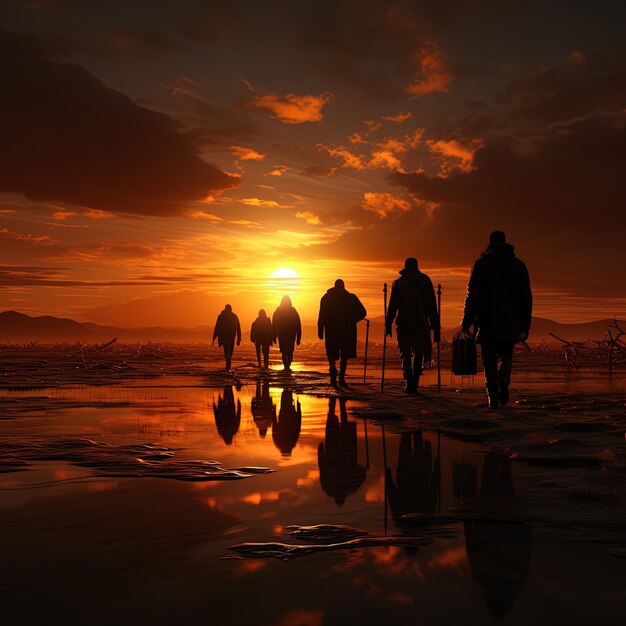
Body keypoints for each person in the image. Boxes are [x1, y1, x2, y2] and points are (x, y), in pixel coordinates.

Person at [461, 231, 532, 409]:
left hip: (486, 322)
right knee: (506, 355)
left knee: (488, 359)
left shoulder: (481, 265)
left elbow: (472, 296)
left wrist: (466, 321)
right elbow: (526, 297)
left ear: (490, 243)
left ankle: (493, 397)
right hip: (511, 323)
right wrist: (525, 323)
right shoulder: (518, 266)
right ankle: (503, 377)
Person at [385, 257, 440, 393]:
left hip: (404, 323)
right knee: (419, 352)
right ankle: (414, 380)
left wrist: (388, 322)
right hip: (421, 323)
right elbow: (432, 306)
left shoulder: (398, 283)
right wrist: (435, 325)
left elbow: (392, 306)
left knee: (405, 352)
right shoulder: (425, 281)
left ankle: (408, 379)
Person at [317, 279, 367, 386]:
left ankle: (334, 371)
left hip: (333, 331)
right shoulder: (351, 298)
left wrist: (320, 329)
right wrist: (352, 321)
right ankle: (340, 376)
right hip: (345, 331)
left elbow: (322, 316)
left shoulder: (326, 298)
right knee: (342, 354)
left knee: (333, 352)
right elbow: (362, 312)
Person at [272, 295, 301, 371]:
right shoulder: (293, 311)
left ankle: (286, 366)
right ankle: (287, 365)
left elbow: (274, 325)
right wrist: (298, 338)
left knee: (284, 351)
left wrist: (274, 336)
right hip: (290, 334)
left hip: (282, 334)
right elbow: (298, 325)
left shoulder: (278, 311)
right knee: (289, 350)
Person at [212, 304, 241, 370]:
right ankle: (228, 362)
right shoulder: (232, 316)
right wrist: (239, 338)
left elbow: (217, 327)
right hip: (228, 336)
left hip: (227, 336)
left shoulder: (222, 316)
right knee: (229, 349)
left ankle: (228, 362)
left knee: (228, 350)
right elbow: (217, 327)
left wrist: (214, 337)